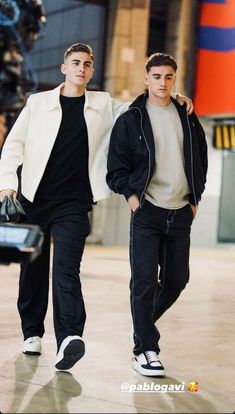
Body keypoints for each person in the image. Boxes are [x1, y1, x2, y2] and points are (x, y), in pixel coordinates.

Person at [0, 43, 194, 371]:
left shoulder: (103, 103)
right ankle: (32, 331)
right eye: (75, 63)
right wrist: (8, 184)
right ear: (65, 68)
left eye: (87, 65)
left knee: (66, 269)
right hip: (33, 199)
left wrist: (172, 98)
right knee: (32, 270)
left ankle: (69, 339)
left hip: (74, 204)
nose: (81, 69)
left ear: (91, 71)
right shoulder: (38, 103)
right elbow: (13, 145)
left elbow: (139, 108)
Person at [106, 52, 208, 377]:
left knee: (178, 280)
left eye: (168, 77)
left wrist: (195, 199)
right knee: (145, 282)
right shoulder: (131, 118)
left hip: (180, 213)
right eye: (156, 77)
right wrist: (134, 200)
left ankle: (142, 326)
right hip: (147, 211)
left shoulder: (187, 114)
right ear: (146, 79)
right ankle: (145, 349)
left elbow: (200, 159)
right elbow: (116, 168)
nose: (162, 83)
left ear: (174, 79)